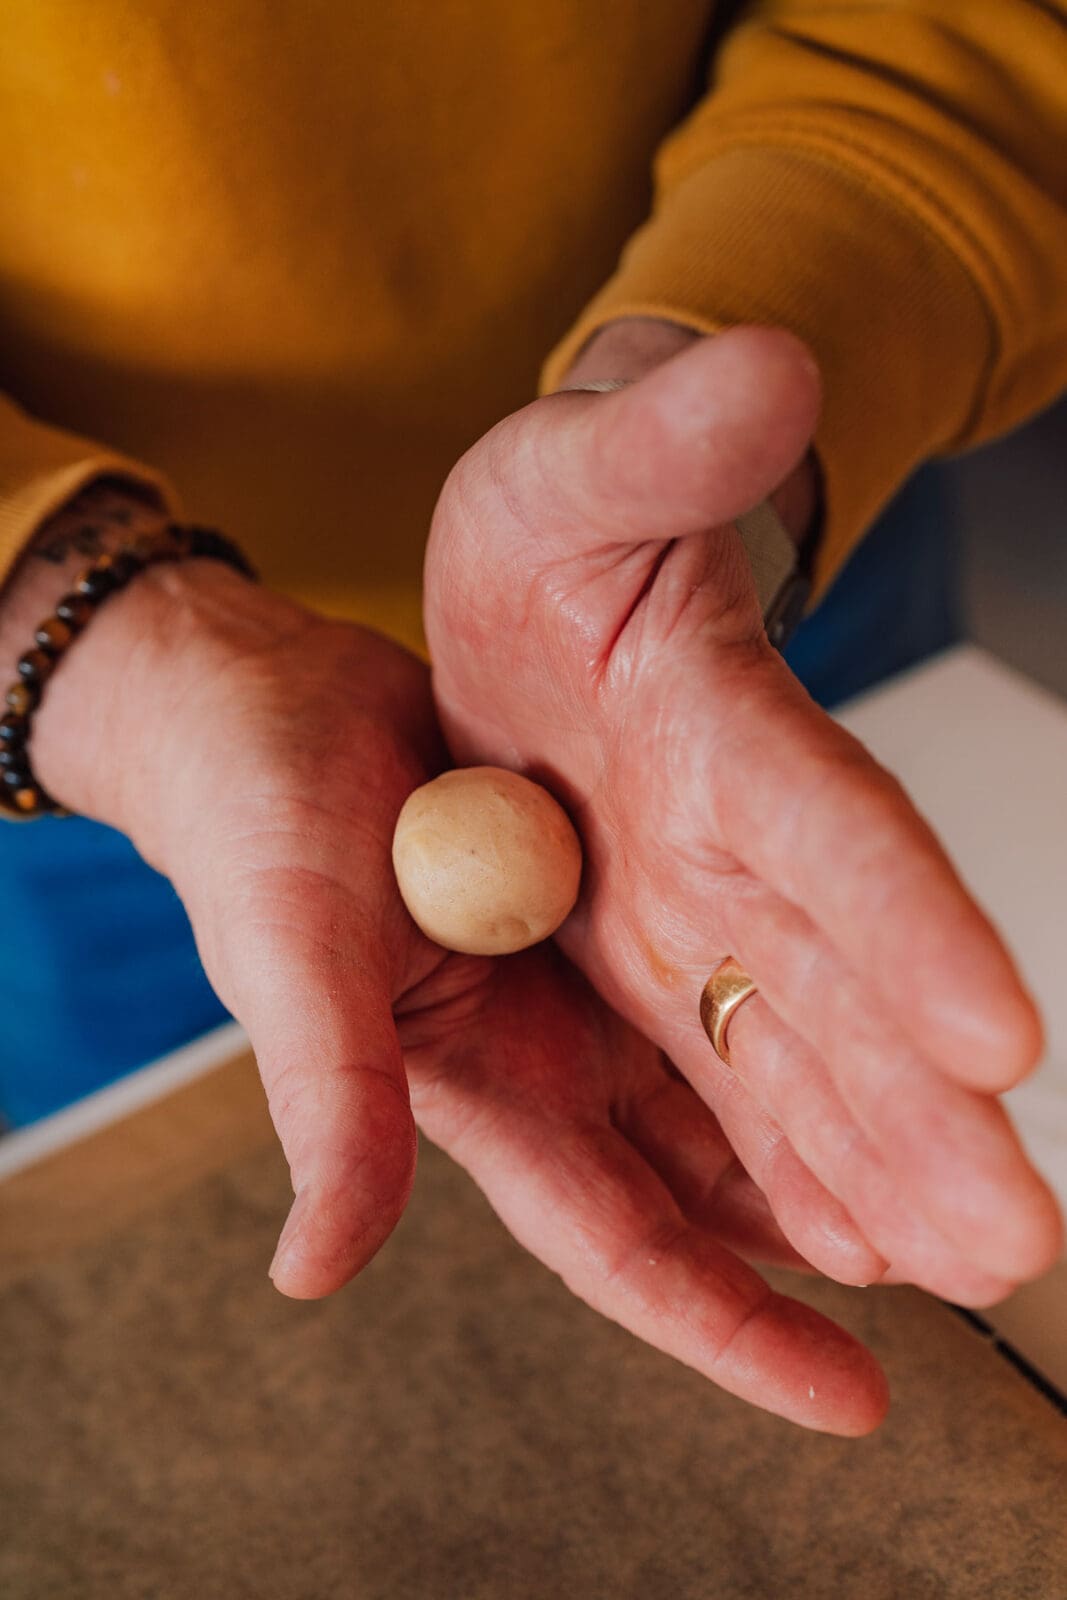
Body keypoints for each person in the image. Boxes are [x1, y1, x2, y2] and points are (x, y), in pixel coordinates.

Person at [0, 2, 1064, 1434]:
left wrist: (704, 452)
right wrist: (98, 648)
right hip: (84, 737)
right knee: (192, 1323)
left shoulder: (702, 566)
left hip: (722, 584)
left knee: (862, 1077)